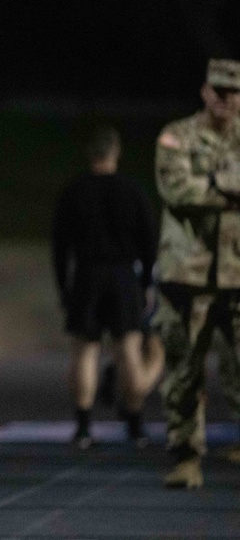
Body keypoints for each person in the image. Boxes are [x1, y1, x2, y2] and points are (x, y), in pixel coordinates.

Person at [152, 58, 240, 489]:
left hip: (237, 273)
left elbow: (196, 188)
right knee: (184, 370)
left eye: (234, 92)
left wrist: (211, 183)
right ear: (205, 91)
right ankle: (186, 456)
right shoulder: (177, 137)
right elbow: (177, 189)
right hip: (189, 272)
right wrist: (231, 186)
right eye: (219, 91)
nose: (227, 100)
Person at [51, 124, 162, 450]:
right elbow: (149, 243)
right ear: (116, 152)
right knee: (129, 351)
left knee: (84, 351)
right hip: (123, 276)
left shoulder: (74, 191)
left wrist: (64, 287)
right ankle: (136, 423)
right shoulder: (132, 190)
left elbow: (60, 245)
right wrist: (145, 284)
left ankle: (84, 426)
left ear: (90, 154)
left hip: (87, 275)